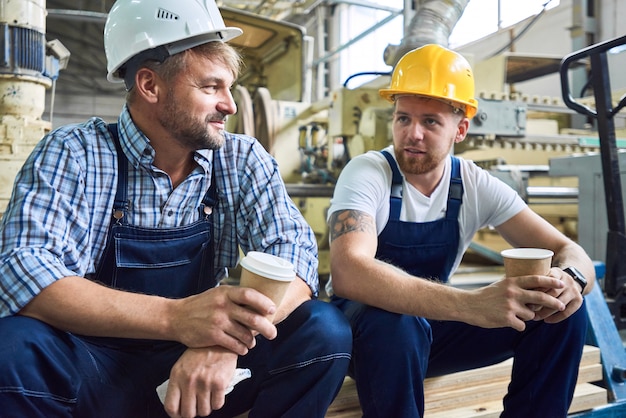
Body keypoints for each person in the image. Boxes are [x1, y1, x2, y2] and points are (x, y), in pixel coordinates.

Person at [0, 0, 352, 417]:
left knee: (323, 331)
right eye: (210, 87)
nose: (230, 105)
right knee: (13, 349)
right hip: (93, 369)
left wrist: (223, 341)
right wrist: (176, 317)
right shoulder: (75, 153)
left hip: (205, 378)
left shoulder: (240, 158)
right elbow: (24, 269)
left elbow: (295, 250)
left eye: (230, 87)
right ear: (150, 85)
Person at [327, 43, 594, 418]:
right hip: (366, 338)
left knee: (560, 311)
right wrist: (472, 305)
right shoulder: (369, 172)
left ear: (461, 129)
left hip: (432, 332)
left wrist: (570, 279)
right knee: (396, 324)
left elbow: (568, 249)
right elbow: (348, 272)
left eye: (430, 122)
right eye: (403, 118)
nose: (412, 134)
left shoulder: (472, 184)